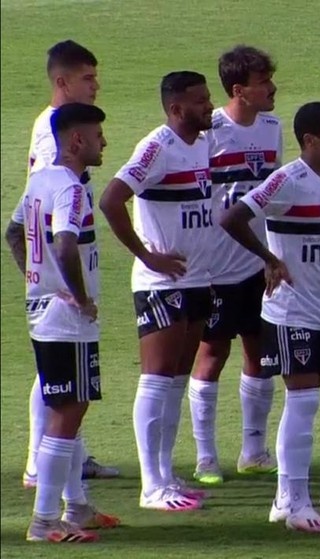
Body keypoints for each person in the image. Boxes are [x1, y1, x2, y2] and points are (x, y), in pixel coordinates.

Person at [219, 101, 320, 533]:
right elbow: (232, 217)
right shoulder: (287, 179)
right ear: (309, 140)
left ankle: (285, 499)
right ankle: (295, 502)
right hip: (291, 311)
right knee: (303, 400)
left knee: (308, 399)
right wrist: (268, 258)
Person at [99, 71, 216, 511]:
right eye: (200, 101)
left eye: (208, 98)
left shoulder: (201, 143)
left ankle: (166, 474)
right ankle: (151, 486)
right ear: (175, 108)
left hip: (197, 277)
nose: (209, 106)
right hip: (162, 284)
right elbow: (111, 199)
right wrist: (146, 256)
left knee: (177, 380)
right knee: (157, 377)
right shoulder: (157, 147)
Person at [6, 103, 121, 543]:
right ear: (77, 140)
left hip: (41, 311)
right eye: (97, 136)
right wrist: (79, 296)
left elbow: (13, 234)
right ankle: (45, 520)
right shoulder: (71, 188)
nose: (103, 143)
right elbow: (66, 245)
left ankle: (77, 507)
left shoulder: (40, 180)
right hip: (67, 319)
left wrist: (37, 280)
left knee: (67, 411)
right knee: (68, 413)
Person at [20, 39, 119, 491]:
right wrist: (55, 280)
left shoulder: (53, 128)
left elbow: (19, 225)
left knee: (60, 379)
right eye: (87, 78)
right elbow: (53, 221)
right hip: (60, 292)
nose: (95, 85)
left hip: (49, 284)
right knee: (59, 382)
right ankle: (41, 465)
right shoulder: (54, 141)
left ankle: (68, 469)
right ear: (62, 81)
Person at [188, 45, 283, 485]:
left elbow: (273, 195)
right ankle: (206, 457)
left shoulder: (272, 129)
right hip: (215, 267)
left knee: (259, 353)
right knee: (211, 353)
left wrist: (272, 255)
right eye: (264, 82)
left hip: (258, 264)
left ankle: (253, 450)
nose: (273, 88)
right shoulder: (210, 133)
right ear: (240, 90)